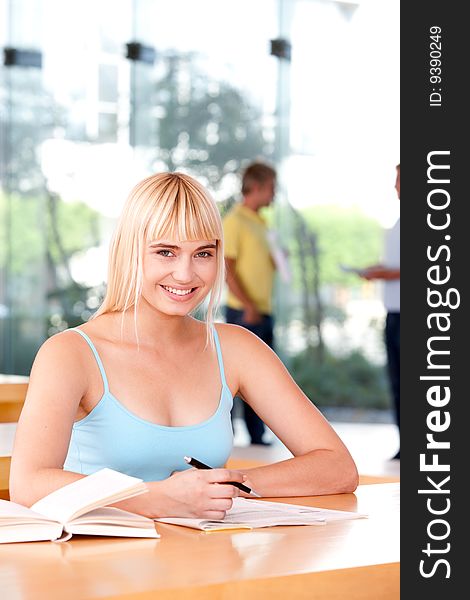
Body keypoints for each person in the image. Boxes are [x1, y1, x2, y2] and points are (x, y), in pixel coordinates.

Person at [10, 171, 358, 519]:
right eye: (166, 252)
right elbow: (29, 484)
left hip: (202, 563)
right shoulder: (70, 353)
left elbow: (337, 467)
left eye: (203, 254)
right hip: (94, 564)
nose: (185, 274)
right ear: (129, 252)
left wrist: (225, 484)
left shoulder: (237, 348)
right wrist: (155, 497)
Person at [223, 162, 277, 445]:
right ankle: (226, 436)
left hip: (263, 308)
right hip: (245, 311)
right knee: (238, 377)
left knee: (262, 378)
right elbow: (226, 268)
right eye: (271, 187)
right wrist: (247, 305)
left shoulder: (262, 223)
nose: (274, 194)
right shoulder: (235, 221)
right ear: (255, 187)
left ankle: (257, 435)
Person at [360, 164, 400, 460]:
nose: (395, 186)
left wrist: (385, 273)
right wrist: (379, 269)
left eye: (400, 180)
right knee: (398, 381)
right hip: (394, 313)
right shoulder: (398, 223)